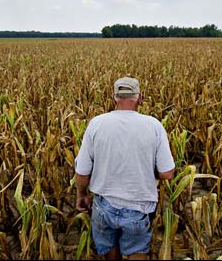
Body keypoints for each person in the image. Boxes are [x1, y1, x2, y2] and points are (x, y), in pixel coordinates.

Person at [74, 77, 175, 260]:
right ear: (140, 98)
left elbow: (82, 171)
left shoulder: (97, 123)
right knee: (137, 251)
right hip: (139, 207)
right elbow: (167, 173)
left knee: (110, 250)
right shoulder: (154, 126)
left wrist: (81, 195)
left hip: (104, 206)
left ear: (114, 98)